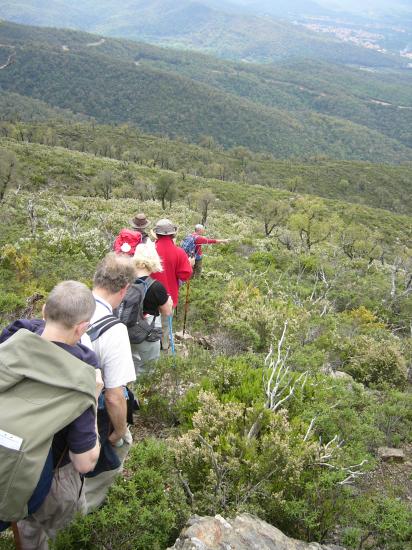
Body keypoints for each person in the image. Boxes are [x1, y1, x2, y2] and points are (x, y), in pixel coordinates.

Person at [0, 281, 102, 550]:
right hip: (25, 482)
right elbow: (84, 462)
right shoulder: (81, 370)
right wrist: (93, 395)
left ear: (44, 310)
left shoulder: (15, 334)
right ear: (82, 328)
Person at [84, 252, 137, 512]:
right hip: (89, 420)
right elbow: (114, 395)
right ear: (125, 288)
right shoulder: (113, 330)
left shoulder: (67, 304)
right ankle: (83, 519)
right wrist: (118, 431)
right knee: (98, 473)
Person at [130, 243, 173, 376]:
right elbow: (167, 312)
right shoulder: (156, 287)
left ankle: (128, 395)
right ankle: (143, 395)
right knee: (148, 371)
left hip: (126, 331)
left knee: (131, 367)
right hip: (148, 333)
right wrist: (169, 302)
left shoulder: (125, 282)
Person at [151, 219, 193, 351]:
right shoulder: (179, 252)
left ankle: (151, 349)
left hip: (148, 296)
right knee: (165, 326)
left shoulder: (149, 250)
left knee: (149, 324)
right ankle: (164, 348)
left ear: (156, 234)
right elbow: (185, 275)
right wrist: (190, 264)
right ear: (172, 234)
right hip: (168, 297)